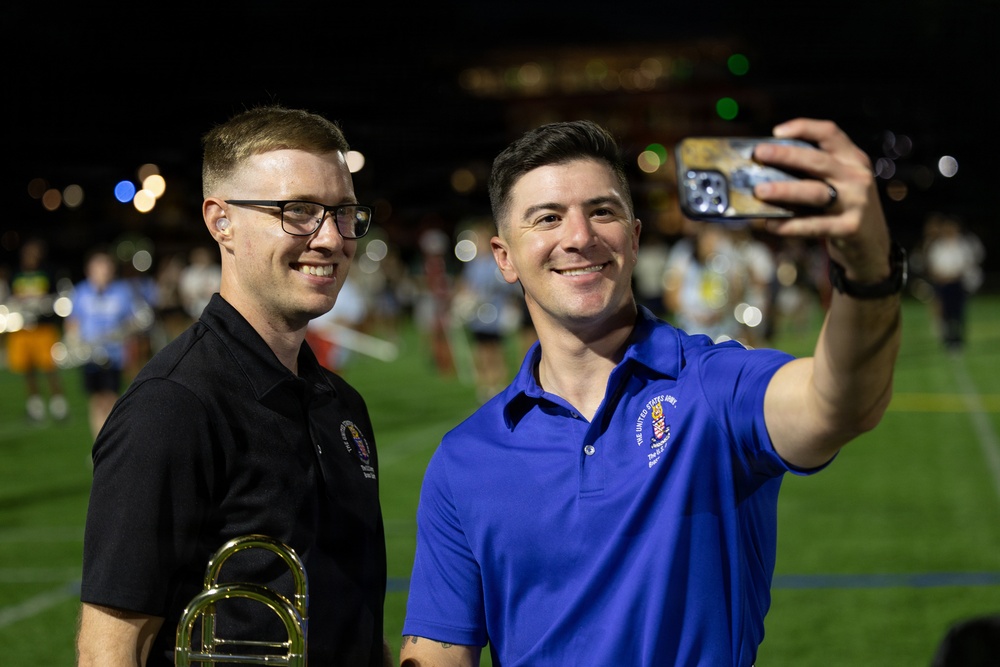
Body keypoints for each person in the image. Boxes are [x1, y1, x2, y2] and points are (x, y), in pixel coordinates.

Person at [401, 118, 905, 666]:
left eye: (602, 211)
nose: (579, 236)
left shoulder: (712, 386)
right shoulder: (464, 457)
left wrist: (866, 264)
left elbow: (840, 403)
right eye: (548, 218)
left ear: (634, 237)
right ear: (504, 257)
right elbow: (436, 652)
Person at [77, 105, 391, 667]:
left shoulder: (341, 404)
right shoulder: (171, 406)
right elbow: (110, 649)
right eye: (298, 211)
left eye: (343, 213)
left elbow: (357, 621)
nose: (330, 239)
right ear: (220, 220)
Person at [5, 237, 69, 422]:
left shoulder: (48, 272)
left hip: (43, 328)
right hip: (23, 329)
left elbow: (56, 299)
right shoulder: (15, 275)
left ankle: (59, 406)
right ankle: (36, 407)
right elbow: (10, 299)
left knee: (50, 367)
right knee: (28, 369)